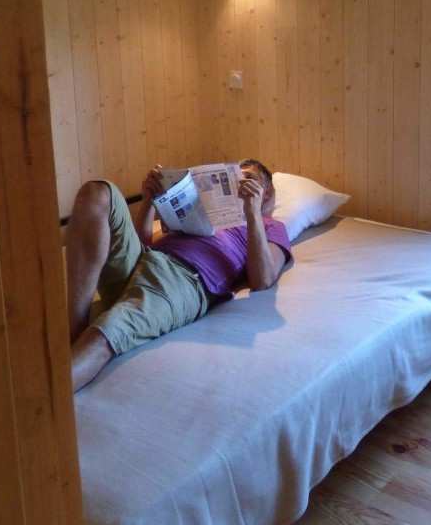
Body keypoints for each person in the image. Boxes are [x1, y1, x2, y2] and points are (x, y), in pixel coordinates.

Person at [65, 159, 291, 391]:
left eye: (249, 181)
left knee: (106, 332)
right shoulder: (202, 211)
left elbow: (262, 280)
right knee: (96, 192)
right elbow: (143, 242)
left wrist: (252, 212)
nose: (240, 185)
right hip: (144, 259)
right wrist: (149, 202)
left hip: (182, 278)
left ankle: (43, 408)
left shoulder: (271, 226)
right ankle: (74, 326)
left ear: (267, 193)